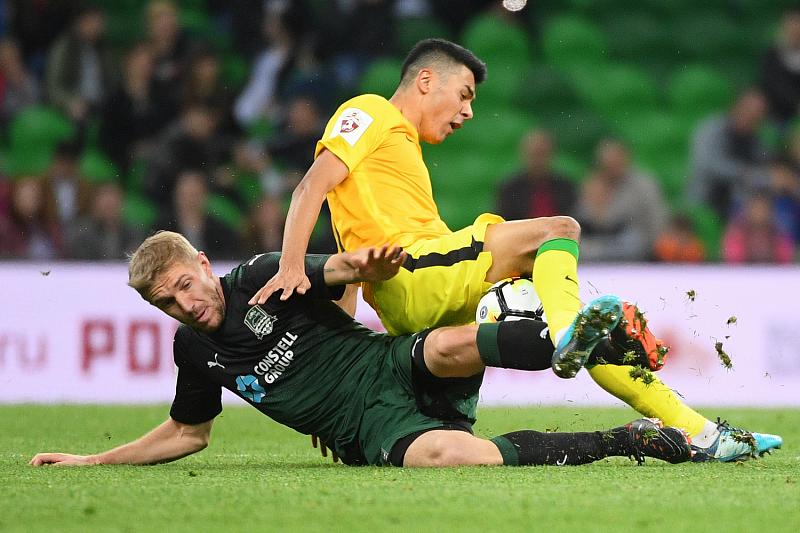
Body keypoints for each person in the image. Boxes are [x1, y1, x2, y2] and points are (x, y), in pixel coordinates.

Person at [247, 38, 764, 454]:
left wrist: (338, 392)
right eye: (464, 94)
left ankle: (701, 432)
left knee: (596, 333)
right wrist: (292, 264)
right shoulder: (370, 111)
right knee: (559, 230)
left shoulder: (395, 160)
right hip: (416, 270)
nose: (469, 111)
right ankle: (565, 333)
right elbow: (309, 186)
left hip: (412, 293)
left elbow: (350, 266)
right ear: (425, 80)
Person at [29, 231, 698, 468]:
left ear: (203, 264)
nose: (184, 303)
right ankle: (624, 439)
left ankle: (586, 339)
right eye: (167, 302)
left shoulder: (260, 276)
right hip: (367, 429)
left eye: (184, 285)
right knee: (448, 458)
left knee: (447, 345)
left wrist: (361, 266)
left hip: (384, 363)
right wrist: (93, 459)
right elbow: (188, 432)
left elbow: (339, 271)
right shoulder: (193, 349)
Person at [574, 139, 668, 262]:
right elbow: (588, 224)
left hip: (634, 245)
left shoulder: (643, 185)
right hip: (599, 244)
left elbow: (656, 221)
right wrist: (597, 203)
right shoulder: (592, 184)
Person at [495, 129, 576, 221]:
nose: (538, 160)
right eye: (534, 154)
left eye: (542, 154)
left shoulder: (565, 187)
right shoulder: (510, 188)